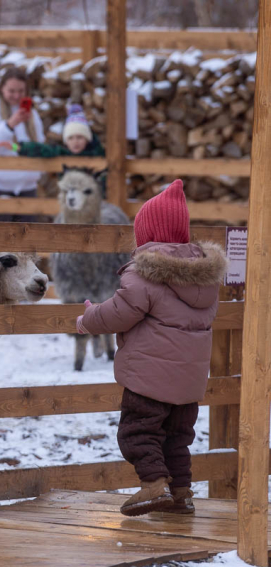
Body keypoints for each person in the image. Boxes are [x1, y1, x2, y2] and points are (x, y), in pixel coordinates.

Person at [76, 179, 226, 517]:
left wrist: (88, 317)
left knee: (137, 433)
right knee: (177, 439)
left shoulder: (144, 275)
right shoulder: (205, 279)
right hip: (189, 383)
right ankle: (182, 493)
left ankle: (153, 486)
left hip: (149, 379)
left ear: (149, 235)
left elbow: (118, 313)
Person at [0, 68, 45, 221]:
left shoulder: (31, 114)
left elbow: (39, 145)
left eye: (21, 91)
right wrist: (9, 125)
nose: (16, 95)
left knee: (28, 241)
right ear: (2, 89)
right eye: (11, 91)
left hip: (27, 188)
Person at [0, 104, 104, 158]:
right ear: (66, 141)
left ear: (87, 139)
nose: (75, 142)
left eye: (80, 137)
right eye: (71, 138)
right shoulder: (63, 153)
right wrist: (15, 147)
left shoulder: (97, 153)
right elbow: (40, 149)